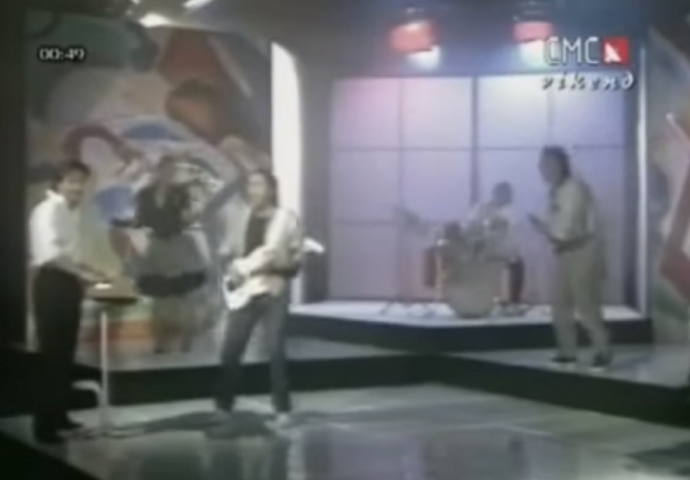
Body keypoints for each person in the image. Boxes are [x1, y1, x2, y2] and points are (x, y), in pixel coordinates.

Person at [215, 169, 304, 426]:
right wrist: (229, 265)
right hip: (244, 292)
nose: (252, 190)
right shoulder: (240, 217)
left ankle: (282, 408)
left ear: (271, 189)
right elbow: (227, 251)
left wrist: (280, 267)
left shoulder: (286, 219)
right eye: (250, 185)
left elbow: (297, 261)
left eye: (258, 185)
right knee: (231, 350)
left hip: (273, 291)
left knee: (275, 349)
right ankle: (224, 405)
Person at [29, 160, 109, 444]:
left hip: (69, 284)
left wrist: (92, 272)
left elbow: (73, 254)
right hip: (52, 284)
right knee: (51, 356)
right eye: (72, 181)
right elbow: (51, 256)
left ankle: (60, 415)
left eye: (82, 181)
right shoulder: (47, 211)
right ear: (58, 182)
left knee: (65, 356)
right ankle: (44, 426)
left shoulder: (71, 212)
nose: (78, 187)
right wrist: (84, 274)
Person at [528, 146, 612, 369]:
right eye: (542, 164)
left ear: (561, 164)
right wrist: (543, 227)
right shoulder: (556, 191)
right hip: (564, 251)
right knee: (560, 303)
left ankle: (602, 350)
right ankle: (567, 351)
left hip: (582, 249)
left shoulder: (575, 188)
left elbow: (569, 226)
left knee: (586, 302)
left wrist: (547, 230)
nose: (544, 169)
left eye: (548, 163)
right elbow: (557, 226)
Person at [133, 155, 208, 353]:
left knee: (185, 292)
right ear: (158, 170)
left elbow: (186, 218)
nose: (168, 173)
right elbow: (140, 220)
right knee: (160, 294)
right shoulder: (144, 194)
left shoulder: (181, 193)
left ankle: (187, 339)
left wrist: (192, 213)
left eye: (172, 170)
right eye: (165, 169)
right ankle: (160, 340)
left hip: (179, 243)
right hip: (157, 244)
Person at [468, 182, 524, 308]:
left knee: (517, 263)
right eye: (500, 193)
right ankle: (475, 299)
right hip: (481, 247)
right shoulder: (481, 208)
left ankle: (514, 301)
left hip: (501, 248)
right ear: (494, 194)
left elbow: (506, 228)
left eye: (506, 195)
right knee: (471, 256)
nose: (503, 197)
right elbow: (470, 225)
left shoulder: (511, 211)